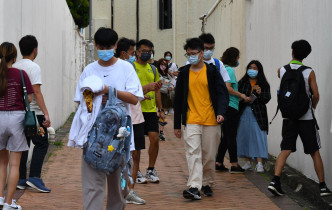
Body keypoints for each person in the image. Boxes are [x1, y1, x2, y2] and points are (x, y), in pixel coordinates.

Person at [75, 27, 144, 210]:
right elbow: (83, 103)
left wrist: (109, 91)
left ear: (115, 46)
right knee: (92, 188)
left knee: (118, 190)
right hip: (93, 138)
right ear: (96, 45)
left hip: (119, 139)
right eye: (101, 46)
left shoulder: (126, 68)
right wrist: (95, 98)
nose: (105, 50)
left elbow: (134, 98)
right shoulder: (90, 70)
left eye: (109, 46)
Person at [268, 40, 332, 197]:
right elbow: (316, 95)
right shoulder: (309, 72)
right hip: (306, 118)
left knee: (285, 149)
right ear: (306, 55)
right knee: (314, 151)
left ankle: (275, 181)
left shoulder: (281, 70)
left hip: (288, 116)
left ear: (292, 52)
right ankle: (323, 186)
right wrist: (312, 107)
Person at [173, 38, 229, 200]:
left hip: (211, 120)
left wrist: (221, 112)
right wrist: (177, 124)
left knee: (209, 155)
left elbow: (222, 94)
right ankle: (194, 186)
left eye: (194, 53)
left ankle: (207, 183)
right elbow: (178, 100)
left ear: (202, 53)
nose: (191, 56)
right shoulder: (184, 73)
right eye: (188, 54)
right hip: (191, 119)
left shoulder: (212, 71)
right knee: (193, 153)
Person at [13, 35, 52, 193]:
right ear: (35, 50)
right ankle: (35, 177)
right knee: (42, 143)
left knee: (23, 145)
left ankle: (21, 179)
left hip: (18, 113)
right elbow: (36, 91)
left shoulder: (15, 66)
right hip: (34, 113)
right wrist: (46, 113)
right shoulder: (33, 67)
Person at [0, 42, 33, 210]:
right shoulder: (21, 74)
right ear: (14, 57)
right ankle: (8, 203)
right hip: (17, 119)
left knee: (1, 163)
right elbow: (30, 99)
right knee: (14, 164)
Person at [116, 37, 146, 205]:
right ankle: (122, 189)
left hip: (136, 117)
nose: (134, 56)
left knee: (135, 155)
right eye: (132, 53)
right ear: (123, 53)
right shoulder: (122, 68)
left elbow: (136, 94)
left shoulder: (130, 68)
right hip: (123, 119)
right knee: (122, 155)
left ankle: (130, 190)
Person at [134, 39, 165, 183]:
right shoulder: (131, 68)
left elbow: (157, 90)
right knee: (137, 143)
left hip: (151, 110)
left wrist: (161, 109)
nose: (146, 54)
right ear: (137, 52)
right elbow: (130, 90)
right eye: (144, 51)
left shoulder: (153, 69)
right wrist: (146, 88)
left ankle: (151, 169)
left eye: (149, 51)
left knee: (154, 138)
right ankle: (136, 170)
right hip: (136, 110)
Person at [215, 47, 250, 173]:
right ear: (233, 57)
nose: (238, 60)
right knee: (231, 135)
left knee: (226, 136)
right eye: (237, 57)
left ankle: (219, 162)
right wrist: (241, 95)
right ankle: (234, 164)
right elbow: (228, 88)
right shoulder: (229, 70)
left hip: (226, 106)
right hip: (231, 107)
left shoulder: (223, 69)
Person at [236, 60, 271, 172]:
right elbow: (238, 97)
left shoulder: (264, 84)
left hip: (258, 114)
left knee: (258, 136)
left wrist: (259, 94)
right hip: (244, 113)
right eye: (250, 67)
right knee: (245, 136)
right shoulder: (242, 82)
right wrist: (245, 98)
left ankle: (259, 163)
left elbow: (266, 99)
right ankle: (248, 162)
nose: (252, 70)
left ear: (259, 70)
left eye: (255, 68)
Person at [156, 58, 174, 141]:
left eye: (165, 65)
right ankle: (156, 130)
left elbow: (173, 81)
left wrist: (171, 87)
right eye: (162, 64)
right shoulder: (156, 72)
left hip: (165, 96)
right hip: (158, 95)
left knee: (163, 114)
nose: (163, 66)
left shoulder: (168, 74)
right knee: (158, 113)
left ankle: (161, 132)